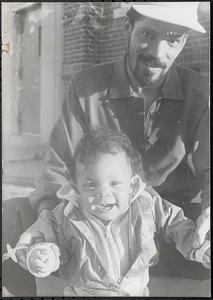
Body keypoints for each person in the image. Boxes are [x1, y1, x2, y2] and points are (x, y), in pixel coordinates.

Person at [2, 1, 210, 296]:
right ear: (128, 28)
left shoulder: (200, 93)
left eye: (173, 38)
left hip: (168, 227)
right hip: (94, 219)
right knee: (12, 218)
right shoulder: (87, 87)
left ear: (185, 41)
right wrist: (48, 226)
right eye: (147, 35)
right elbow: (58, 169)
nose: (157, 52)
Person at [10, 128, 210, 296]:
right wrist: (43, 256)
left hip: (135, 291)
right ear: (76, 187)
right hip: (85, 293)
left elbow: (175, 223)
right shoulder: (66, 215)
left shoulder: (145, 204)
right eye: (91, 185)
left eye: (114, 183)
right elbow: (47, 240)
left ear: (132, 185)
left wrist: (200, 248)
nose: (104, 194)